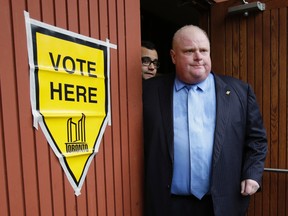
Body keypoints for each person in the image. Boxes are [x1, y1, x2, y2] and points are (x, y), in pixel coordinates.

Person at [142, 25, 267, 216]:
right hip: (168, 205)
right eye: (189, 51)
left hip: (222, 204)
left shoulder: (239, 92)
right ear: (173, 56)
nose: (198, 56)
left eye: (203, 50)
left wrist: (252, 173)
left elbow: (257, 140)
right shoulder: (149, 92)